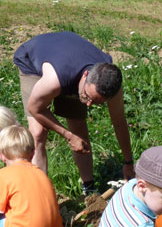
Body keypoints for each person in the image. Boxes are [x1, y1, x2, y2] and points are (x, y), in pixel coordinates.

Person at [13, 31, 134, 195]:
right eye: (88, 97)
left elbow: (119, 122)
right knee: (38, 133)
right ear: (86, 75)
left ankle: (89, 190)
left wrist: (128, 162)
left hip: (69, 63)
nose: (88, 104)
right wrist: (67, 135)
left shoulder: (111, 86)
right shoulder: (54, 80)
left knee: (79, 127)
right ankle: (40, 195)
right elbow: (35, 108)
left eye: (96, 103)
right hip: (34, 60)